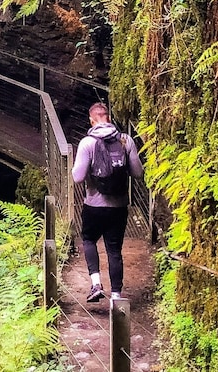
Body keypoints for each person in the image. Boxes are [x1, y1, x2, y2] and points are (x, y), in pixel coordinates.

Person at [71, 102, 143, 302]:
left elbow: (77, 177)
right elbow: (138, 173)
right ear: (109, 118)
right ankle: (117, 296)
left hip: (93, 205)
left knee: (88, 240)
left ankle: (95, 284)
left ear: (91, 120)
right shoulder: (125, 141)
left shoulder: (87, 143)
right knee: (114, 249)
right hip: (119, 207)